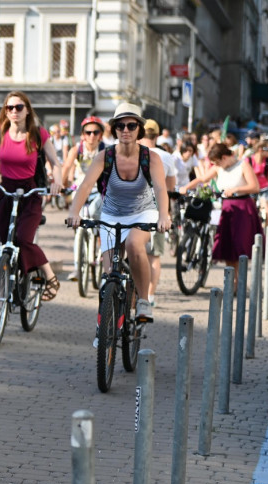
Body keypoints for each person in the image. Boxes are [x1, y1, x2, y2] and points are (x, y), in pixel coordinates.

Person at [67, 103, 171, 322]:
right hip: (112, 214)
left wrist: (164, 215)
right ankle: (105, 327)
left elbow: (161, 188)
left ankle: (143, 301)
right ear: (114, 129)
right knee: (109, 275)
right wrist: (75, 212)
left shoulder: (150, 158)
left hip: (143, 213)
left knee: (134, 244)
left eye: (131, 125)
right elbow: (86, 186)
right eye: (120, 125)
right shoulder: (105, 157)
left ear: (139, 130)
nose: (126, 130)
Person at [0, 91, 64, 301]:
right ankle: (7, 274)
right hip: (5, 190)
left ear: (27, 110)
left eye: (19, 107)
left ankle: (50, 277)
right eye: (9, 108)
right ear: (5, 111)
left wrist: (56, 182)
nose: (14, 111)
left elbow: (55, 163)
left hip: (30, 192)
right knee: (1, 241)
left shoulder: (38, 134)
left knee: (23, 238)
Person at [182, 143, 262, 275]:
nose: (216, 165)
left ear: (224, 157)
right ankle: (232, 281)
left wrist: (236, 189)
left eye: (217, 162)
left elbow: (255, 187)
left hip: (242, 207)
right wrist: (186, 187)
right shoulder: (218, 167)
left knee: (239, 246)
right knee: (227, 247)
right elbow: (202, 179)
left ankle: (238, 282)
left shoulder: (243, 165)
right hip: (226, 207)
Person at [62, 115, 106, 281]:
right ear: (83, 135)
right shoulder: (77, 150)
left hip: (99, 191)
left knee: (101, 219)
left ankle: (102, 254)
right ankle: (77, 266)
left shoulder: (104, 150)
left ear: (101, 135)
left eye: (96, 132)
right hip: (80, 190)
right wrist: (61, 185)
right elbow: (66, 167)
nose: (92, 136)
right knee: (77, 225)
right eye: (88, 132)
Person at [139, 119, 177, 308]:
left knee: (130, 253)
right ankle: (150, 295)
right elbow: (170, 187)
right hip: (157, 211)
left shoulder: (132, 152)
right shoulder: (166, 156)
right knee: (154, 256)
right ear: (157, 134)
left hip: (132, 209)